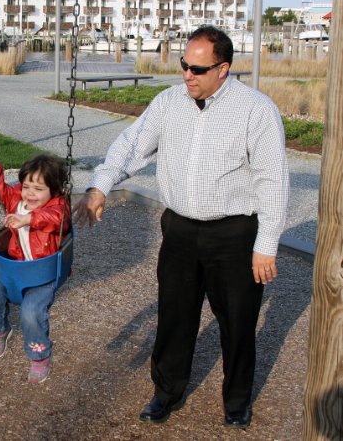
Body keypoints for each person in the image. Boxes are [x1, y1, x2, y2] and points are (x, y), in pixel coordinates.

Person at [73, 26, 289, 428]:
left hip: (234, 234)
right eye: (184, 65)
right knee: (175, 317)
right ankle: (166, 393)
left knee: (238, 323)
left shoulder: (256, 110)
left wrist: (267, 243)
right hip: (180, 232)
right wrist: (100, 186)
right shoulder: (168, 102)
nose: (187, 74)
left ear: (223, 69)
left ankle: (237, 401)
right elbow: (132, 145)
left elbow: (272, 179)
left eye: (198, 68)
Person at [0, 148, 70, 384]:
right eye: (27, 186)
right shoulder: (16, 200)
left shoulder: (58, 207)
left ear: (55, 190)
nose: (30, 194)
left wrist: (27, 219)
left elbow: (55, 219)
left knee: (30, 313)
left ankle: (40, 356)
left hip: (42, 276)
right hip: (15, 270)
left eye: (39, 189)